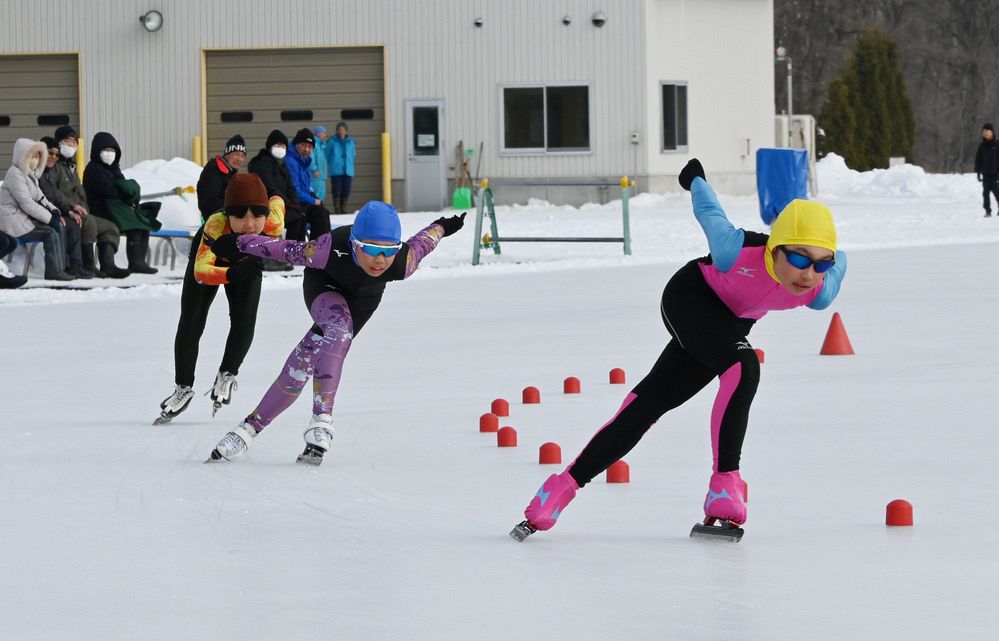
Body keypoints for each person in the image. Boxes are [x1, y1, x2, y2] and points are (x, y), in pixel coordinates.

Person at [512, 158, 848, 540]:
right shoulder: (734, 251)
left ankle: (560, 488)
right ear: (775, 248)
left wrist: (833, 262)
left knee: (648, 406)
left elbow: (841, 264)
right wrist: (695, 179)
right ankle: (725, 484)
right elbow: (710, 213)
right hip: (690, 297)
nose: (808, 274)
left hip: (728, 325)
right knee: (743, 365)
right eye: (800, 258)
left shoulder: (817, 292)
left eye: (821, 264)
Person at [204, 202, 466, 465]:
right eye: (371, 249)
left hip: (362, 301)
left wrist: (444, 225)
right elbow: (282, 249)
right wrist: (239, 242)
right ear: (354, 244)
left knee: (304, 361)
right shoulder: (327, 249)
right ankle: (322, 420)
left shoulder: (403, 261)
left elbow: (425, 241)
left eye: (388, 251)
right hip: (323, 285)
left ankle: (247, 430)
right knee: (338, 330)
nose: (380, 260)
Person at [155, 173, 286, 424]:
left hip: (245, 264)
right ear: (228, 215)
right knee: (192, 320)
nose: (249, 224)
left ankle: (227, 373)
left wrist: (275, 191)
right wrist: (233, 273)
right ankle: (183, 387)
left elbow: (278, 201)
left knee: (245, 320)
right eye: (240, 216)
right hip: (211, 262)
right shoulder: (216, 225)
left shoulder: (272, 222)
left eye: (257, 215)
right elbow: (202, 272)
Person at [51, 125, 128, 278]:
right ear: (58, 143)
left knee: (110, 227)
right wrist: (72, 208)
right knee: (89, 223)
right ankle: (88, 264)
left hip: (81, 212)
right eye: (67, 141)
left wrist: (83, 207)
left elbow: (80, 194)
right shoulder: (55, 167)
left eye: (74, 142)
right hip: (65, 212)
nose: (71, 145)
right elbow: (54, 193)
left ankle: (108, 265)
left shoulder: (71, 167)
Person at [83, 131, 161, 275]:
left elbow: (123, 188)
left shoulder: (114, 169)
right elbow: (110, 191)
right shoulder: (93, 169)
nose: (109, 153)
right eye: (105, 150)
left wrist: (124, 189)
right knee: (135, 225)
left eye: (112, 150)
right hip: (100, 211)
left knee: (143, 224)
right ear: (97, 151)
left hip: (115, 210)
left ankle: (138, 262)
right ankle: (134, 263)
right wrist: (124, 189)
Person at [0, 138, 75, 281]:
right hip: (12, 222)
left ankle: (63, 267)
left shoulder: (30, 175)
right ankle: (54, 271)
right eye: (32, 156)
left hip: (23, 219)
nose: (36, 160)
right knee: (50, 233)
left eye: (37, 156)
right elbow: (27, 203)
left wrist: (55, 212)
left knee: (59, 225)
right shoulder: (14, 174)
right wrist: (48, 219)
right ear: (23, 156)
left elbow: (41, 198)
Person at [39, 136, 93, 279]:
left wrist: (69, 211)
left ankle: (75, 266)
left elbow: (54, 198)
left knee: (73, 223)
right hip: (37, 215)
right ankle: (61, 267)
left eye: (56, 154)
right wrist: (56, 215)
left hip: (50, 212)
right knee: (61, 226)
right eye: (50, 153)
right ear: (41, 151)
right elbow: (37, 200)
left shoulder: (48, 172)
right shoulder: (36, 172)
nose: (54, 157)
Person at [285, 127, 332, 240]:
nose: (307, 149)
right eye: (304, 145)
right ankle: (317, 248)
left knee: (323, 212)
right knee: (319, 214)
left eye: (310, 147)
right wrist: (313, 200)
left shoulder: (303, 159)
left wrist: (312, 194)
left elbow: (306, 185)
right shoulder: (291, 161)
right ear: (296, 144)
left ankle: (321, 246)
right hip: (292, 202)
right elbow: (295, 190)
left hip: (301, 200)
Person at [196, 135, 246, 222]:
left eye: (242, 156)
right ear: (227, 154)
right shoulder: (214, 170)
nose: (239, 159)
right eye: (236, 154)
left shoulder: (230, 172)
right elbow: (209, 203)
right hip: (215, 223)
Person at [326, 121, 356, 214]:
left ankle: (343, 209)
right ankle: (337, 210)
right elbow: (327, 154)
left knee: (346, 190)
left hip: (348, 170)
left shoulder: (351, 142)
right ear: (337, 130)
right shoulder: (332, 141)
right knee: (337, 190)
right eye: (340, 129)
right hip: (336, 170)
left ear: (346, 131)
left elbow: (353, 154)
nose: (341, 131)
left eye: (343, 129)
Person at [975, 123, 999, 217]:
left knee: (997, 192)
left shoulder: (997, 144)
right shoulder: (982, 146)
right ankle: (987, 211)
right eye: (984, 131)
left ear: (992, 132)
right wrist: (978, 172)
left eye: (987, 131)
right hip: (986, 174)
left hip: (995, 174)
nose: (985, 133)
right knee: (985, 194)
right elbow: (978, 159)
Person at [310, 124, 329, 204]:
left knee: (321, 195)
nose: (324, 135)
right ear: (318, 133)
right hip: (315, 177)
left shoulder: (322, 145)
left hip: (321, 176)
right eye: (323, 133)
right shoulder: (314, 144)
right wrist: (314, 169)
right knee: (316, 195)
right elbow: (311, 157)